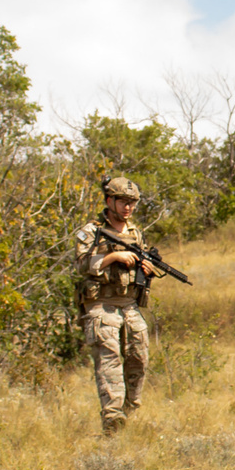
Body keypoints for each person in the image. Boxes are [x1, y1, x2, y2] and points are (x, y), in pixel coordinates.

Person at [76, 175, 157, 434]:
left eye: (132, 203)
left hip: (129, 305)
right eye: (123, 202)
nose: (128, 208)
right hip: (102, 305)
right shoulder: (91, 231)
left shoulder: (135, 233)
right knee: (109, 362)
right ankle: (113, 422)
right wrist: (112, 256)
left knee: (138, 359)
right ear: (109, 200)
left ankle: (130, 415)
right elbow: (80, 265)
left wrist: (147, 268)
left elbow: (143, 270)